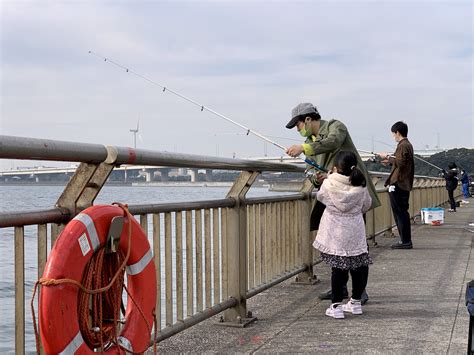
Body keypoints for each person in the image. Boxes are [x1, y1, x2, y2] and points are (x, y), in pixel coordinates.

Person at [285, 102, 381, 303]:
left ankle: (359, 291)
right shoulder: (311, 143)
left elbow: (333, 142)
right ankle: (340, 289)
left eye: (298, 124)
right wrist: (316, 179)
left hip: (353, 194)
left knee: (357, 247)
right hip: (334, 201)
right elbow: (312, 172)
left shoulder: (336, 126)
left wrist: (304, 148)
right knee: (335, 247)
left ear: (308, 119)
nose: (297, 129)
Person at [312, 151, 372, 319]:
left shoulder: (329, 183)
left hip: (335, 232)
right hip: (355, 231)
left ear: (335, 167)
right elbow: (366, 204)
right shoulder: (360, 184)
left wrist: (330, 176)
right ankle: (355, 303)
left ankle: (336, 306)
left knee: (338, 269)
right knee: (357, 267)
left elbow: (321, 197)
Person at [377, 121, 414, 249]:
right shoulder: (406, 145)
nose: (393, 136)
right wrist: (389, 161)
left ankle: (405, 241)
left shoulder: (403, 145)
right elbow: (400, 162)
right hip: (402, 183)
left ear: (397, 132)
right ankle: (405, 240)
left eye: (393, 134)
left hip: (399, 184)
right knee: (402, 212)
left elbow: (401, 162)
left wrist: (387, 156)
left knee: (400, 213)